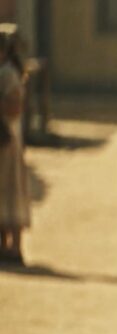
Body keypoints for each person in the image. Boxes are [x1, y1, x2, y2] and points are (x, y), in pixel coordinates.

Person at [0, 24, 28, 266]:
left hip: (6, 138)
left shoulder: (7, 73)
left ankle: (14, 247)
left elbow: (14, 106)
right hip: (8, 136)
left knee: (10, 190)